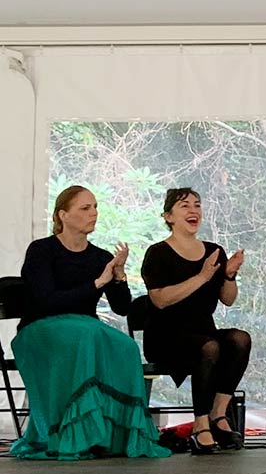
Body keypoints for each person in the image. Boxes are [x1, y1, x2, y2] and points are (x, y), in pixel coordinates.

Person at [11, 186, 169, 459]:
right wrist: (97, 283)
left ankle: (112, 436)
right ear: (64, 215)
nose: (93, 213)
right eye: (85, 208)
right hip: (40, 328)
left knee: (125, 347)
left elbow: (121, 308)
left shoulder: (100, 257)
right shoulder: (42, 250)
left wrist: (118, 276)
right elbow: (47, 300)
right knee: (85, 335)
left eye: (95, 207)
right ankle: (72, 434)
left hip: (83, 327)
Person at [141, 188, 252, 455]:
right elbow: (161, 300)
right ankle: (199, 425)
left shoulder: (214, 251)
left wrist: (229, 276)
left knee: (240, 339)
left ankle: (218, 413)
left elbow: (228, 299)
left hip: (204, 331)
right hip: (166, 336)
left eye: (197, 205)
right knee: (210, 347)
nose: (193, 211)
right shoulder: (157, 253)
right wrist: (201, 277)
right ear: (169, 216)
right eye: (184, 206)